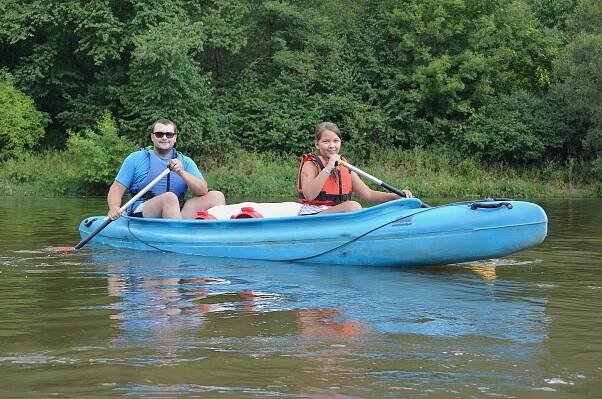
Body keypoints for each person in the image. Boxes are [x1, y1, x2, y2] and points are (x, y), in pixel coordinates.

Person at [107, 118, 225, 220]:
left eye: (169, 134)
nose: (164, 138)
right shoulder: (135, 158)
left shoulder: (185, 161)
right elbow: (117, 188)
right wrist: (114, 208)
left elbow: (203, 190)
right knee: (169, 198)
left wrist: (181, 172)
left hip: (177, 210)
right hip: (144, 209)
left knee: (216, 196)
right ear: (152, 137)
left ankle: (211, 235)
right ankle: (177, 239)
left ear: (175, 138)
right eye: (159, 134)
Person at [297, 121, 412, 215]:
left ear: (340, 142)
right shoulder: (310, 165)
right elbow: (310, 196)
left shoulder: (343, 166)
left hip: (337, 214)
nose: (332, 146)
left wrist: (395, 196)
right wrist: (328, 167)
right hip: (313, 215)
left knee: (354, 207)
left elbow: (368, 194)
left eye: (336, 141)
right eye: (326, 141)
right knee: (353, 206)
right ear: (317, 144)